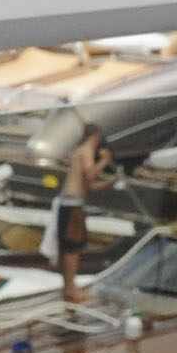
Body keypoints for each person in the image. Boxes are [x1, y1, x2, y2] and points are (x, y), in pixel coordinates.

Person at [52, 118, 115, 300]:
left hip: (70, 202)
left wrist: (110, 182)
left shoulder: (79, 151)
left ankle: (68, 287)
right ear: (96, 137)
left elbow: (88, 186)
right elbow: (90, 174)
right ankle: (71, 288)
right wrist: (104, 161)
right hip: (72, 205)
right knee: (73, 248)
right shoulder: (87, 150)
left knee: (68, 246)